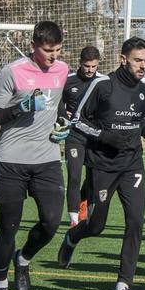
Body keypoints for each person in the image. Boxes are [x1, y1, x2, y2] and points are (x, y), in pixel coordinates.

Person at [56, 37, 145, 290]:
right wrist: (104, 136)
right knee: (97, 225)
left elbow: (137, 123)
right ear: (123, 59)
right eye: (137, 60)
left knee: (135, 221)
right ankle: (73, 237)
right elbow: (78, 121)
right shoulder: (103, 86)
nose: (142, 66)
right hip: (103, 165)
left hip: (132, 165)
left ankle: (124, 283)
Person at [0, 21, 70, 290]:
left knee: (51, 221)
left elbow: (59, 105)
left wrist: (63, 122)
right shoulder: (12, 72)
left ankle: (23, 258)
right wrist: (19, 108)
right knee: (8, 226)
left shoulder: (62, 70)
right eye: (47, 50)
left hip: (47, 159)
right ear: (34, 46)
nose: (53, 56)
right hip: (11, 160)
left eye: (57, 50)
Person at [59, 46, 101, 227]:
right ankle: (74, 220)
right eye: (86, 66)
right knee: (74, 176)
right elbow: (56, 101)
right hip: (74, 136)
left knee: (93, 177)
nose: (90, 70)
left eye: (93, 66)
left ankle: (84, 203)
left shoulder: (102, 82)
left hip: (94, 137)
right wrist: (62, 115)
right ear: (80, 63)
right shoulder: (68, 81)